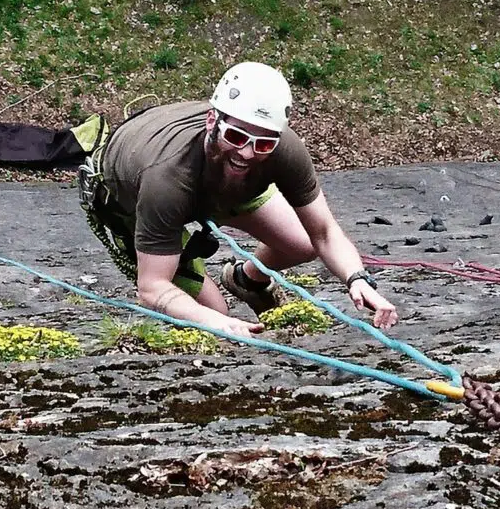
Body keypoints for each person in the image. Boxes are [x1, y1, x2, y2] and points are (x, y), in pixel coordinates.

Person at [80, 61, 398, 339]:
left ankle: (247, 279)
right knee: (214, 311)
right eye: (236, 136)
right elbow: (152, 288)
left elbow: (324, 232)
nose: (246, 152)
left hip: (222, 184)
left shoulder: (280, 148)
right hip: (130, 197)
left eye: (262, 144)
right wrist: (218, 322)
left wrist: (358, 279)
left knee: (302, 244)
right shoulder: (166, 178)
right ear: (212, 121)